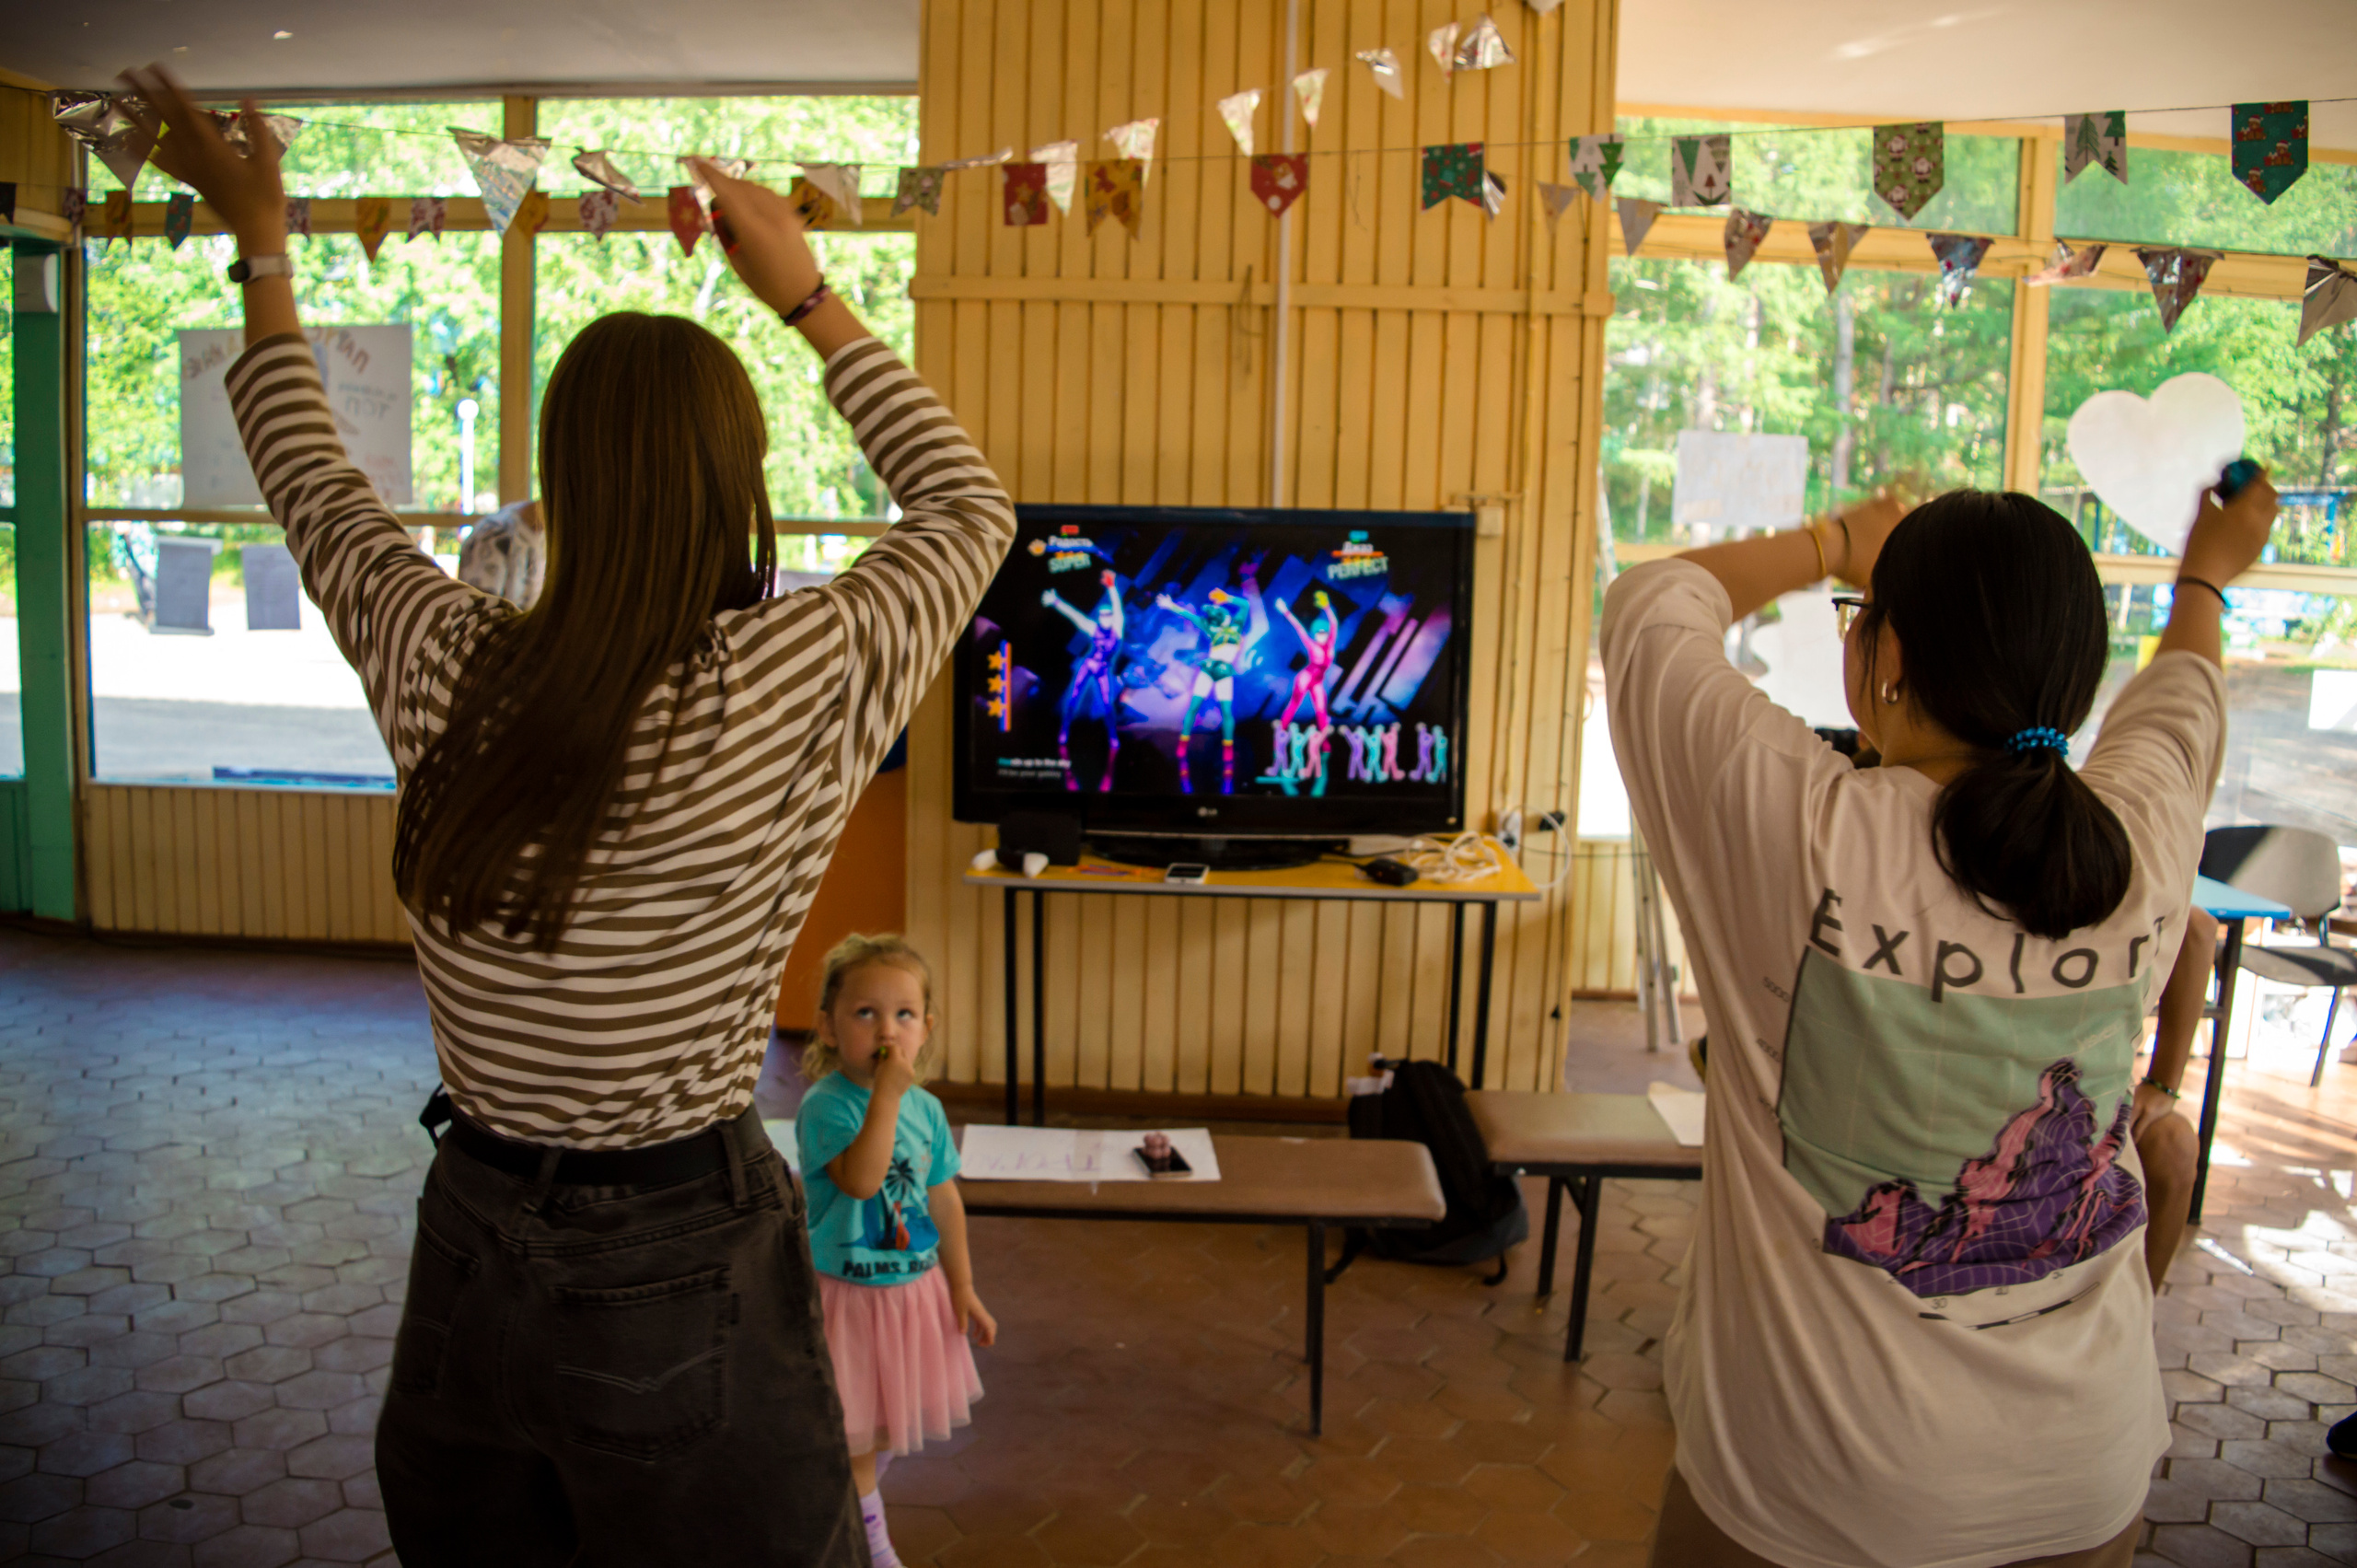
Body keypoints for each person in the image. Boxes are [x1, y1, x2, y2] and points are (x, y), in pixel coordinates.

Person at [117, 67, 1014, 1566]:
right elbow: (971, 510)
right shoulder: (799, 668)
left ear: (558, 482)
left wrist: (260, 234)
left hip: (470, 1230)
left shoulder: (442, 652)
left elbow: (308, 477)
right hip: (685, 1243)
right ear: (740, 480)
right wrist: (805, 295)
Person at [1602, 471, 2277, 1568]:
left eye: (1859, 620)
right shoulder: (2142, 840)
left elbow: (1650, 603)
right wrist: (2205, 571)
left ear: (1891, 658)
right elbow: (2183, 688)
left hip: (1808, 1491)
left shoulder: (1799, 827)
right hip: (2080, 1483)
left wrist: (1838, 537)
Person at [796, 935, 995, 1568]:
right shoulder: (825, 1105)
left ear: (925, 1028)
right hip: (848, 1299)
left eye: (904, 1014)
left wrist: (962, 1285)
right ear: (828, 1028)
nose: (887, 1029)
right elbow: (860, 1180)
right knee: (854, 1436)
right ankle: (875, 1550)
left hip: (911, 1294)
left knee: (878, 1430)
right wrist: (885, 1096)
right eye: (866, 1013)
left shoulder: (927, 1109)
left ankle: (852, 1508)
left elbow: (943, 1199)